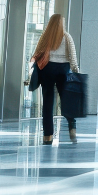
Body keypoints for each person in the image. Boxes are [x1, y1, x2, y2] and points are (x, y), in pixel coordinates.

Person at [30, 14, 80, 144]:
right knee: (66, 100)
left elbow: (37, 52)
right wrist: (76, 71)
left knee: (47, 102)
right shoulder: (67, 36)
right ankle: (72, 125)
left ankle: (48, 136)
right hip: (63, 69)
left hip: (47, 69)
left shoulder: (46, 36)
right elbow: (73, 57)